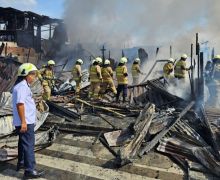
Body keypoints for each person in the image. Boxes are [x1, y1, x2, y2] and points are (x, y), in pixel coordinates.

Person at [12, 63, 44, 178]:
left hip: (23, 121)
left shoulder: (22, 85)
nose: (34, 77)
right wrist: (24, 122)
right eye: (33, 74)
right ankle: (29, 170)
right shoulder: (22, 87)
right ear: (26, 75)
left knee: (22, 143)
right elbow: (20, 105)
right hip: (25, 122)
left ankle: (21, 163)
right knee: (29, 145)